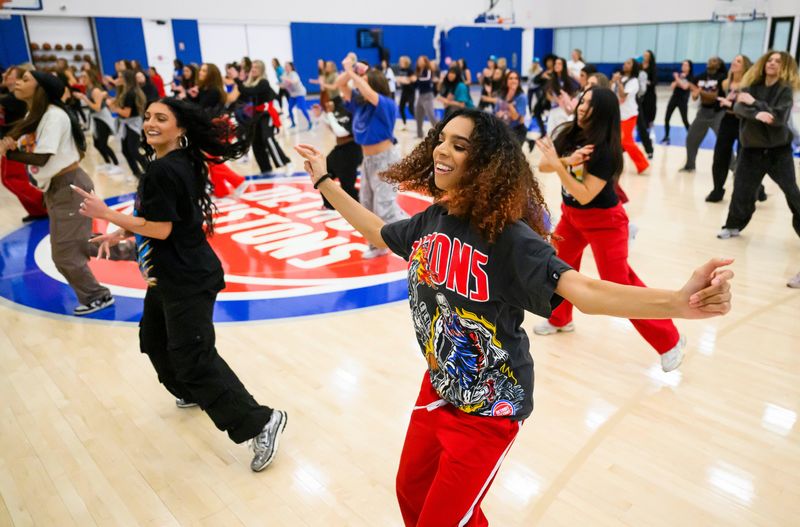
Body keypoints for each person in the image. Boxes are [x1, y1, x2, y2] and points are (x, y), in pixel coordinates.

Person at [293, 107, 733, 527]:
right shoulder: (434, 218)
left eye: (460, 146)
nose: (442, 151)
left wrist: (678, 302)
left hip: (490, 407)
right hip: (440, 385)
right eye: (441, 140)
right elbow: (377, 231)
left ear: (485, 163)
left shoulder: (508, 239)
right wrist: (325, 182)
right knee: (409, 491)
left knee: (443, 519)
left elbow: (586, 291)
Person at [70, 97, 287, 472]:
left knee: (193, 358)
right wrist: (121, 230)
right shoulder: (176, 161)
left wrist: (108, 214)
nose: (150, 123)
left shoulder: (165, 169)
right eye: (148, 116)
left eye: (161, 118)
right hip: (167, 275)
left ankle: (260, 422)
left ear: (180, 128)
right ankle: (192, 392)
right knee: (154, 339)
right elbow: (167, 213)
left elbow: (162, 228)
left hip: (186, 277)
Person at [534, 87, 687, 370]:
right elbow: (544, 165)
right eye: (582, 101)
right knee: (557, 268)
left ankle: (670, 339)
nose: (581, 107)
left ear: (603, 111)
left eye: (590, 104)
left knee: (619, 286)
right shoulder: (569, 131)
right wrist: (564, 162)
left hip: (605, 223)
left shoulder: (606, 151)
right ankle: (560, 319)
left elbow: (583, 194)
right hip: (572, 218)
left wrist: (559, 167)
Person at [0, 71, 113, 315]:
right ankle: (140, 251)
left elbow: (42, 157)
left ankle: (97, 296)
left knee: (64, 254)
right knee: (77, 244)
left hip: (69, 185)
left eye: (25, 79)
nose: (18, 82)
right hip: (57, 186)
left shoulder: (54, 116)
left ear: (41, 88)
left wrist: (8, 153)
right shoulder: (37, 115)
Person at [719, 51, 800, 243]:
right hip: (751, 149)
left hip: (778, 151)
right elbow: (738, 107)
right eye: (770, 60)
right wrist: (756, 114)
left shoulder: (785, 90)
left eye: (777, 61)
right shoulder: (752, 86)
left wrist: (755, 103)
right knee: (742, 190)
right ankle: (733, 225)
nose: (772, 63)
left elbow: (778, 117)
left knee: (792, 192)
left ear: (785, 67)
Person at [335, 57, 407, 258]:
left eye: (364, 80)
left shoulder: (385, 104)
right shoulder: (360, 105)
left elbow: (367, 91)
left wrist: (353, 73)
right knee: (367, 205)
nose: (360, 84)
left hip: (387, 160)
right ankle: (378, 245)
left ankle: (417, 237)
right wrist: (351, 70)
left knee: (385, 208)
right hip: (368, 161)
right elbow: (340, 84)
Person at [0, 65, 48, 221]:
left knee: (12, 179)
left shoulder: (14, 98)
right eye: (6, 74)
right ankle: (36, 210)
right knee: (10, 179)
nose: (6, 77)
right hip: (10, 142)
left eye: (11, 75)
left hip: (16, 143)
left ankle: (43, 205)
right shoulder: (10, 95)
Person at [707, 54, 756, 203]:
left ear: (745, 66)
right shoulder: (725, 83)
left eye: (739, 61)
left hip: (744, 122)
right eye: (734, 60)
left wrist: (732, 104)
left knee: (744, 158)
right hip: (728, 121)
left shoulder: (750, 85)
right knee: (720, 155)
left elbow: (752, 106)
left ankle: (756, 189)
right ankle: (717, 190)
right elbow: (719, 103)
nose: (734, 62)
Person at [234, 60, 290, 174]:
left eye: (257, 68)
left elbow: (249, 91)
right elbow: (244, 93)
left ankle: (286, 162)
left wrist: (237, 80)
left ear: (262, 70)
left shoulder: (263, 82)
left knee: (267, 138)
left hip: (267, 113)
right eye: (253, 67)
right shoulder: (251, 82)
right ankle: (265, 169)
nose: (253, 69)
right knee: (255, 141)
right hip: (257, 115)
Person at [313, 99, 362, 209]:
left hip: (352, 150)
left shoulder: (355, 111)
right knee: (321, 173)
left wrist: (329, 113)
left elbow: (341, 132)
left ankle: (361, 207)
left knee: (347, 186)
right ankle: (329, 205)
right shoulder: (341, 107)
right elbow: (334, 128)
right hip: (340, 149)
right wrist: (322, 115)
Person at [680, 56, 726, 172]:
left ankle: (734, 168)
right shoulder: (700, 77)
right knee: (691, 138)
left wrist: (700, 92)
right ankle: (690, 165)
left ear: (719, 65)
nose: (711, 61)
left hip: (718, 113)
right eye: (710, 60)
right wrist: (695, 94)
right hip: (703, 112)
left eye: (714, 60)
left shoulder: (722, 78)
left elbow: (714, 97)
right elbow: (694, 95)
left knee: (723, 142)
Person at [74, 68, 121, 174]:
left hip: (102, 118)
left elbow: (97, 107)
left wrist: (84, 98)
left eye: (84, 76)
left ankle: (116, 164)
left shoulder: (95, 90)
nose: (82, 78)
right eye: (81, 76)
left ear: (90, 77)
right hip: (96, 118)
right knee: (97, 144)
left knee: (103, 143)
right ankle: (108, 163)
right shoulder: (88, 89)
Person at [612, 58, 649, 174]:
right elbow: (609, 90)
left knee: (626, 141)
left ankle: (643, 164)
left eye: (628, 63)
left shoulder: (634, 81)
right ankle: (615, 164)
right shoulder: (621, 78)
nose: (625, 65)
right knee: (615, 141)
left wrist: (618, 82)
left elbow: (623, 96)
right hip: (618, 115)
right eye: (625, 62)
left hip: (629, 115)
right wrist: (613, 81)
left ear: (634, 66)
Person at [661, 60, 694, 145]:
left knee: (684, 120)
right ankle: (666, 136)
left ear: (689, 67)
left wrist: (677, 78)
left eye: (686, 65)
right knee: (667, 118)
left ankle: (692, 137)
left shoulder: (690, 77)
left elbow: (684, 86)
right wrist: (678, 79)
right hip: (674, 98)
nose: (683, 66)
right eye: (683, 65)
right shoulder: (680, 75)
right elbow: (672, 86)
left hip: (682, 101)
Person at [636, 50, 656, 159]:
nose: (644, 57)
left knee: (643, 124)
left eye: (646, 55)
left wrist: (645, 82)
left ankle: (649, 149)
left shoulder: (651, 68)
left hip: (647, 98)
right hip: (632, 102)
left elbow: (652, 83)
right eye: (643, 55)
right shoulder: (638, 67)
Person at [281, 62, 312, 130]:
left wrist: (286, 80)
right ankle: (293, 123)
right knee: (289, 108)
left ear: (291, 67)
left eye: (288, 66)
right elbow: (284, 85)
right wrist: (281, 85)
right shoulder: (285, 74)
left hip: (300, 93)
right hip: (293, 94)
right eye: (285, 66)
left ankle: (310, 122)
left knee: (302, 108)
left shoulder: (294, 74)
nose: (286, 67)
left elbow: (294, 82)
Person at [413, 55, 437, 139]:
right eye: (418, 60)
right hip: (420, 96)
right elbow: (416, 85)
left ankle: (438, 132)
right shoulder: (418, 71)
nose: (419, 62)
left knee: (431, 115)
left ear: (425, 61)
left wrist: (416, 79)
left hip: (428, 95)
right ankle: (419, 134)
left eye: (421, 60)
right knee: (418, 115)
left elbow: (427, 80)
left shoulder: (428, 70)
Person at [396, 56, 415, 130]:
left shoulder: (410, 70)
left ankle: (418, 121)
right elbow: (400, 81)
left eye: (401, 61)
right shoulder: (401, 70)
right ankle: (404, 124)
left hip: (411, 92)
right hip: (404, 92)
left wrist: (403, 80)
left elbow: (410, 81)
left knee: (411, 109)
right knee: (401, 108)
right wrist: (400, 81)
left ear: (405, 62)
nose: (399, 63)